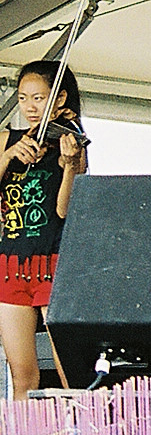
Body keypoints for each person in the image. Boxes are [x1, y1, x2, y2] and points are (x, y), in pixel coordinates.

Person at [0, 60, 88, 395]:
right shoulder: (7, 139)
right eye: (23, 98)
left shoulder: (72, 142)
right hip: (10, 265)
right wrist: (8, 156)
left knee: (68, 368)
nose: (30, 107)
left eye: (39, 98)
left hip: (54, 263)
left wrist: (68, 165)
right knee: (21, 373)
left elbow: (65, 209)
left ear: (61, 98)